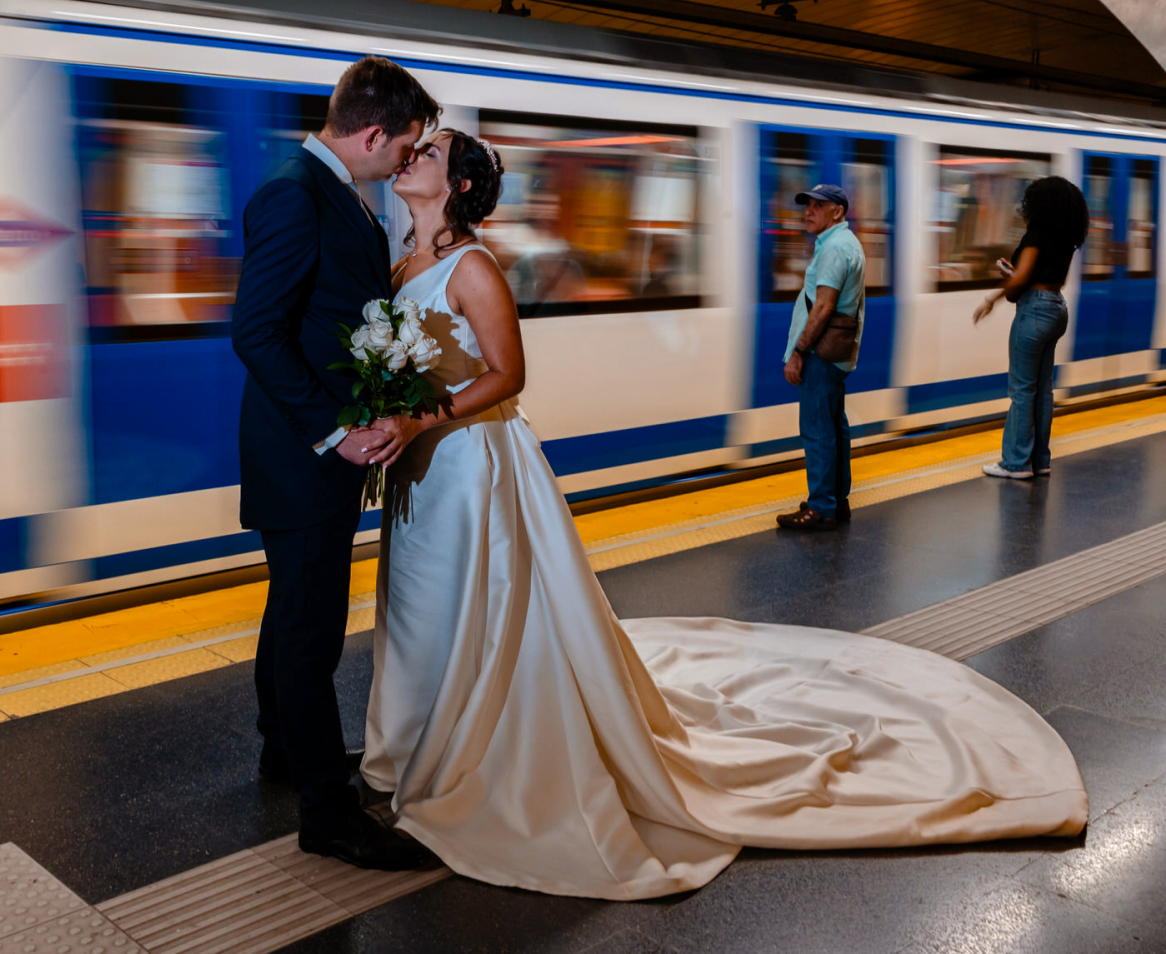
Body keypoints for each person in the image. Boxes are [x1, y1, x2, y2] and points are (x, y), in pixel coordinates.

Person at [357, 129, 1086, 900]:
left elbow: (509, 374)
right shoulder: (407, 261)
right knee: (423, 607)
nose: (412, 159)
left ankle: (469, 747)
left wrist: (418, 416)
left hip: (474, 469)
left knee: (482, 607)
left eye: (429, 153)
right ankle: (419, 738)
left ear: (461, 187)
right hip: (425, 473)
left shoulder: (473, 268)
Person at [230, 56, 439, 871]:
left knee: (293, 609)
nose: (404, 162)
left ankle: (285, 747)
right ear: (373, 133)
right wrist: (335, 430)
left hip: (309, 453)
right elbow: (257, 331)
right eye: (404, 146)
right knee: (313, 628)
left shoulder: (330, 189)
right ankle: (328, 813)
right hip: (303, 453)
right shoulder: (295, 192)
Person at [973, 176, 1088, 480]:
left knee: (1022, 389)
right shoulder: (1066, 236)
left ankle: (1016, 463)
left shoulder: (1037, 234)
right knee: (1043, 389)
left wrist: (1006, 290)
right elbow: (1035, 274)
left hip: (1034, 311)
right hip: (1055, 307)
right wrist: (996, 296)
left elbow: (1021, 281)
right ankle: (1040, 460)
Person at [775, 184, 865, 533]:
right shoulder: (848, 243)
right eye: (807, 205)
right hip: (836, 352)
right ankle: (836, 500)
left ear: (837, 212)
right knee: (834, 425)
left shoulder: (834, 249)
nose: (808, 211)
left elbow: (824, 306)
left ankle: (821, 507)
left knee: (817, 429)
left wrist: (798, 352)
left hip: (820, 353)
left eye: (818, 205)